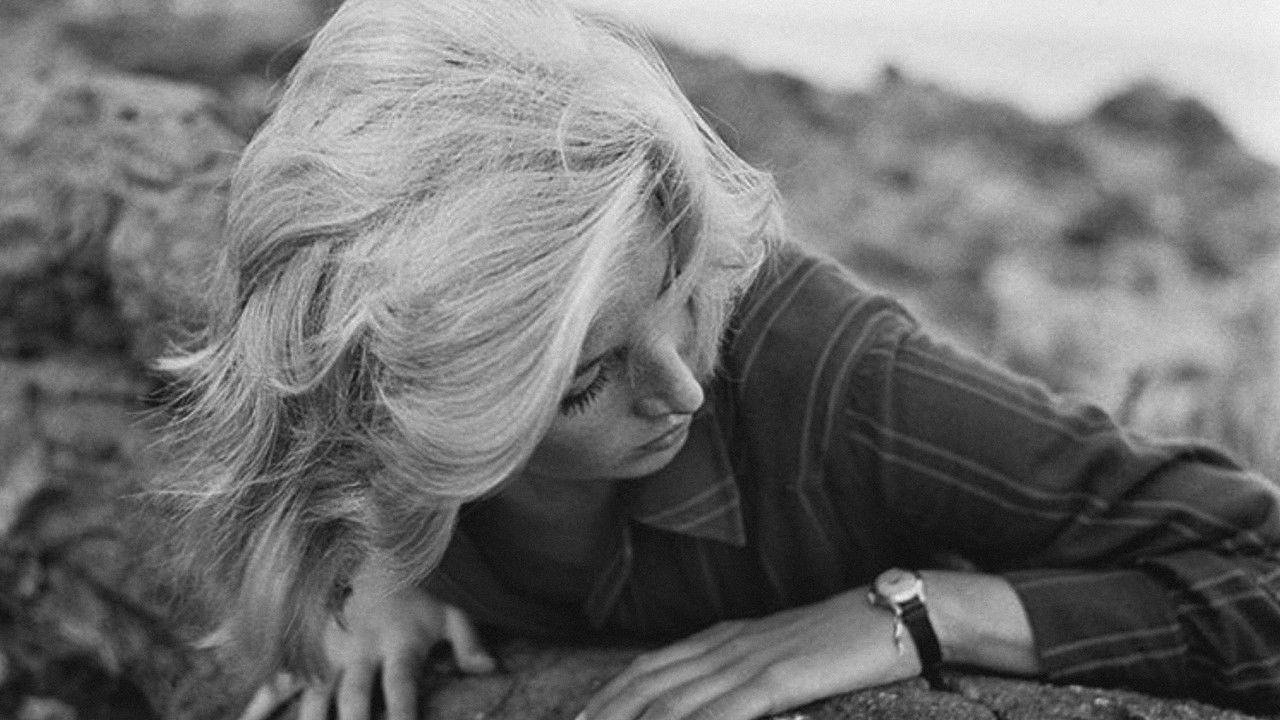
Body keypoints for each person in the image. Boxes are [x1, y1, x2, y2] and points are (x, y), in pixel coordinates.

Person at [153, 0, 1280, 718]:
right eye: (586, 381)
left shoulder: (836, 380)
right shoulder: (377, 392)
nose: (681, 387)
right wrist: (374, 566)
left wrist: (913, 614)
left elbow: (1259, 574)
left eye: (681, 298)